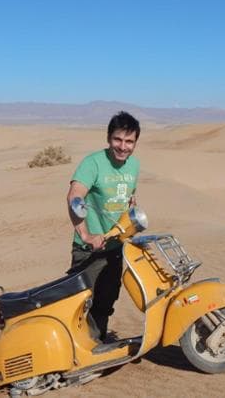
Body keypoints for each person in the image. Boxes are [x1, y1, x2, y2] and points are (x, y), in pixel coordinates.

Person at [66, 111, 140, 342]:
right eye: (118, 139)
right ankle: (69, 351)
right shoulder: (93, 163)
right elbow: (75, 196)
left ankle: (95, 344)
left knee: (106, 300)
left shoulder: (134, 166)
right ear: (109, 138)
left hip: (116, 248)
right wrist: (86, 234)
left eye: (129, 141)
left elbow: (129, 196)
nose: (123, 146)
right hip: (89, 250)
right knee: (77, 302)